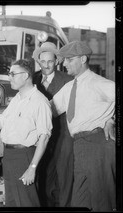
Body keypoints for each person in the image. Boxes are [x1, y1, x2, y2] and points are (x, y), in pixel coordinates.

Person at [0, 59, 52, 207]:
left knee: (27, 202)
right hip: (9, 156)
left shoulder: (40, 102)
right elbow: (1, 122)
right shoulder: (17, 99)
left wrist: (32, 168)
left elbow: (44, 138)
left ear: (25, 75)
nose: (9, 77)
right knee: (11, 202)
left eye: (13, 74)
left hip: (24, 157)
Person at [51, 40, 116, 211]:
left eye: (69, 59)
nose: (64, 64)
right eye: (64, 60)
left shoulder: (99, 83)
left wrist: (112, 120)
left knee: (102, 200)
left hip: (99, 143)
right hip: (79, 146)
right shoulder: (68, 87)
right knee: (80, 201)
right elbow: (48, 110)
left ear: (83, 59)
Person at [32, 42, 74, 207]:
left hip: (63, 135)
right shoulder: (33, 79)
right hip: (40, 136)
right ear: (39, 61)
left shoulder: (68, 80)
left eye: (50, 61)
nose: (47, 65)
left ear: (57, 61)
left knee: (64, 175)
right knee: (44, 173)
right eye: (43, 61)